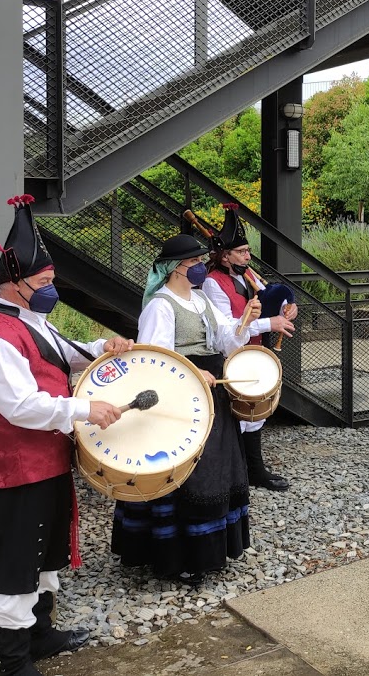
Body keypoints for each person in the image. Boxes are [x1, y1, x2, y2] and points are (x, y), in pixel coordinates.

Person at [0, 194, 136, 676]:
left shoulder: (27, 318)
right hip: (20, 468)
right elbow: (20, 406)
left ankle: (40, 633)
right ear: (14, 284)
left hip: (49, 460)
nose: (50, 289)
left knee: (45, 552)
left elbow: (65, 354)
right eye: (43, 282)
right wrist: (85, 408)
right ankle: (13, 663)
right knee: (19, 562)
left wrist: (105, 346)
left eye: (52, 281)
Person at [111, 233, 256, 581]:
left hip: (212, 393)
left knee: (216, 466)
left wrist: (245, 321)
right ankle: (180, 557)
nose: (201, 268)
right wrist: (192, 372)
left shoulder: (201, 298)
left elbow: (224, 338)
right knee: (187, 471)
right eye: (195, 263)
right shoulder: (160, 305)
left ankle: (210, 550)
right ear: (177, 267)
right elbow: (154, 358)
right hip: (180, 398)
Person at [202, 203, 296, 492]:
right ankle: (235, 473)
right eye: (241, 252)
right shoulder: (211, 284)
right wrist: (271, 324)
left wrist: (287, 308)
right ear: (224, 255)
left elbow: (268, 299)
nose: (247, 255)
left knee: (255, 414)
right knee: (235, 416)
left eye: (247, 251)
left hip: (252, 351)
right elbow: (228, 326)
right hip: (227, 356)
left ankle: (254, 471)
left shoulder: (247, 274)